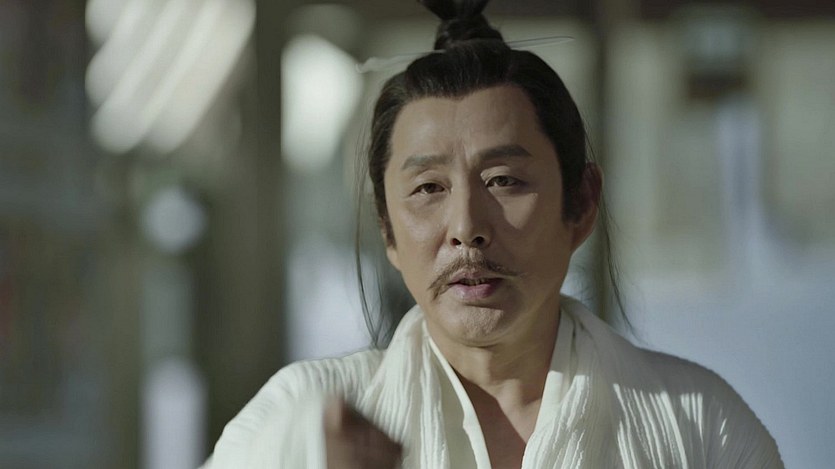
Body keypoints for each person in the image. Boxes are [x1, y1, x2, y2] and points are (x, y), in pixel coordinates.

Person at [203, 0, 783, 467]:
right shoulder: (299, 425)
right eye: (428, 188)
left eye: (504, 180)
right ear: (387, 229)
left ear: (582, 203)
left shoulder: (698, 427)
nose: (466, 229)